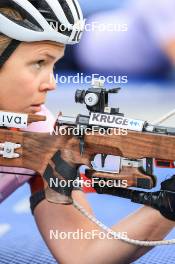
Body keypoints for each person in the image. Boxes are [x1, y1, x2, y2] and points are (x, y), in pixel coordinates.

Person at [0, 1, 175, 264]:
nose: (52, 84)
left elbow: (84, 255)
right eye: (38, 62)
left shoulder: (39, 129)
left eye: (53, 65)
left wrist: (168, 205)